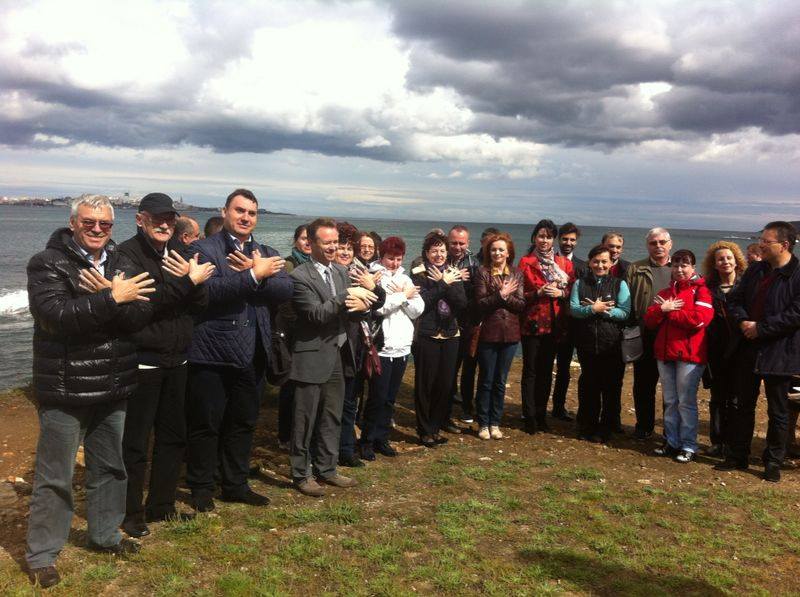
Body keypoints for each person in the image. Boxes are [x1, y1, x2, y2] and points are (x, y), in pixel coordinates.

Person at [25, 196, 154, 587]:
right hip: (65, 388)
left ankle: (105, 535)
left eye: (105, 224)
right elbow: (55, 317)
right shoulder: (47, 262)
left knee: (110, 467)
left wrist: (110, 301)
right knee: (55, 475)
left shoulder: (121, 263)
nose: (97, 229)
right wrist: (110, 298)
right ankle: (43, 555)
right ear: (73, 222)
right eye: (89, 222)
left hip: (112, 383)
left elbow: (140, 316)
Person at [186, 189, 293, 512]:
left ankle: (235, 483)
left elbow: (286, 289)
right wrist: (254, 275)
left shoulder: (265, 250)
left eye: (252, 213)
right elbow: (208, 292)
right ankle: (201, 487)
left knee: (243, 422)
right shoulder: (204, 249)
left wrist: (255, 271)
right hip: (213, 351)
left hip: (254, 351)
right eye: (240, 211)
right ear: (226, 211)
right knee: (207, 423)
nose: (246, 217)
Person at [117, 194, 213, 538]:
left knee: (173, 438)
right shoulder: (127, 254)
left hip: (178, 358)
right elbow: (144, 304)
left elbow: (199, 302)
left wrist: (193, 282)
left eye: (170, 219)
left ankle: (162, 506)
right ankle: (130, 513)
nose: (165, 224)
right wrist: (186, 282)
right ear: (140, 219)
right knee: (136, 443)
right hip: (143, 361)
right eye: (157, 218)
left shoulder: (177, 252)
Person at [288, 218, 376, 496]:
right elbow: (316, 314)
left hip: (338, 353)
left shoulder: (340, 272)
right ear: (311, 243)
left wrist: (361, 305)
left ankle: (326, 469)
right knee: (304, 420)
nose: (332, 247)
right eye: (326, 242)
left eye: (335, 242)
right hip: (311, 355)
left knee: (332, 415)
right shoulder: (299, 277)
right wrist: (346, 296)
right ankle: (301, 474)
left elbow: (349, 312)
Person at [720, 221, 800, 482]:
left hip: (780, 351)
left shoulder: (798, 274)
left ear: (784, 245)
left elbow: (795, 315)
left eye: (767, 241)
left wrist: (761, 328)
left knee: (778, 411)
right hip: (748, 348)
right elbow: (734, 300)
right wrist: (744, 323)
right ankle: (738, 455)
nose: (761, 245)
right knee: (743, 404)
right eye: (761, 240)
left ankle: (772, 461)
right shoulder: (756, 270)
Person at [644, 249, 714, 463]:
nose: (679, 269)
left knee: (686, 401)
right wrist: (662, 309)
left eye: (684, 265)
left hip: (690, 356)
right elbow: (649, 320)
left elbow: (699, 320)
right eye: (675, 265)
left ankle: (689, 445)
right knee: (671, 400)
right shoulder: (666, 292)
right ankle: (671, 442)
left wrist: (670, 312)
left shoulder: (701, 291)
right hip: (666, 354)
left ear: (693, 267)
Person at [360, 236, 424, 458]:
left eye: (398, 259)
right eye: (390, 258)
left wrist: (403, 298)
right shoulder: (374, 276)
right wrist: (402, 296)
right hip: (383, 346)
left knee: (390, 398)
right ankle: (367, 440)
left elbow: (418, 309)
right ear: (382, 256)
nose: (394, 263)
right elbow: (379, 307)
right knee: (377, 397)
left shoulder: (406, 278)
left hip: (402, 346)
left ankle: (382, 438)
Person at [334, 221, 386, 468]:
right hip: (334, 345)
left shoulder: (358, 271)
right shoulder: (330, 271)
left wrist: (371, 288)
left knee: (349, 401)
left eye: (348, 248)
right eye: (340, 247)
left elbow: (379, 300)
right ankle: (330, 449)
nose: (345, 252)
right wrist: (356, 300)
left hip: (356, 346)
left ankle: (345, 449)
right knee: (334, 402)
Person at [569, 245, 631, 443]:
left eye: (604, 261)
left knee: (611, 387)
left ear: (611, 263)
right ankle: (587, 426)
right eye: (596, 261)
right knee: (589, 386)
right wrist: (591, 309)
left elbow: (625, 312)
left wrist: (605, 310)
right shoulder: (580, 283)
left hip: (611, 344)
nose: (600, 265)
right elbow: (574, 309)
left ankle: (606, 428)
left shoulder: (619, 284)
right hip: (587, 344)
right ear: (589, 262)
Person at [411, 231, 467, 446]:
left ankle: (435, 427)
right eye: (434, 251)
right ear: (426, 253)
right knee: (426, 383)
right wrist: (443, 284)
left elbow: (461, 303)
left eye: (442, 250)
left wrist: (447, 283)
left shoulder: (453, 272)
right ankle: (424, 430)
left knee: (445, 384)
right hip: (428, 333)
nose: (439, 254)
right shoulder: (419, 272)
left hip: (451, 333)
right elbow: (422, 302)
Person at [518, 219, 574, 434]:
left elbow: (573, 290)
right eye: (541, 236)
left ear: (554, 239)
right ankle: (529, 416)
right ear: (534, 238)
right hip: (532, 323)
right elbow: (519, 294)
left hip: (555, 323)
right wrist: (537, 293)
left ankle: (541, 415)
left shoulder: (564, 264)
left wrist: (562, 293)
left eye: (549, 236)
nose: (544, 240)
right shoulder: (525, 262)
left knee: (546, 371)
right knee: (530, 371)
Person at [473, 232, 525, 440]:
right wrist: (501, 295)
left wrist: (505, 298)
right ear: (488, 251)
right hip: (489, 332)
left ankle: (495, 422)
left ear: (508, 252)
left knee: (500, 380)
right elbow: (480, 304)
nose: (497, 253)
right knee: (486, 379)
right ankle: (483, 423)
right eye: (493, 249)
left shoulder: (517, 273)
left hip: (510, 334)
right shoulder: (482, 272)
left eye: (501, 249)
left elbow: (521, 305)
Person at [625, 227, 673, 440]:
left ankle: (670, 430)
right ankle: (644, 426)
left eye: (662, 242)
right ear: (648, 246)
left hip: (672, 338)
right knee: (644, 384)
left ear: (670, 244)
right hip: (644, 335)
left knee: (670, 387)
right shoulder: (636, 268)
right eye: (654, 243)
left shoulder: (680, 268)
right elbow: (626, 302)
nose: (658, 246)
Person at [701, 241, 746, 457]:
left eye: (729, 258)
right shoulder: (707, 288)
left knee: (737, 399)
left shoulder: (746, 285)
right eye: (720, 259)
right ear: (714, 264)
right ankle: (717, 441)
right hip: (716, 350)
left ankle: (734, 442)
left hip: (741, 350)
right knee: (718, 398)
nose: (725, 261)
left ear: (736, 261)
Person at [276, 223, 312, 450]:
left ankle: (301, 433)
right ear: (295, 241)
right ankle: (285, 435)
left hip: (310, 334)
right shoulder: (289, 264)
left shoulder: (318, 265)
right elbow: (285, 303)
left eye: (311, 238)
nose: (307, 242)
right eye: (303, 238)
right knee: (289, 385)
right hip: (292, 333)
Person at [447, 224, 482, 427]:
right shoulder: (441, 259)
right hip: (446, 321)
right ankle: (446, 407)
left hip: (468, 323)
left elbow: (477, 294)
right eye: (454, 243)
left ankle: (467, 407)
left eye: (461, 243)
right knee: (449, 369)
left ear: (467, 244)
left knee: (469, 368)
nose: (457, 247)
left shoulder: (474, 264)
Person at [551, 222, 586, 422]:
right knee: (542, 367)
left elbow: (582, 295)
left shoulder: (581, 266)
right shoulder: (549, 261)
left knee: (564, 369)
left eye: (572, 240)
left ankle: (558, 406)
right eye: (565, 239)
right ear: (559, 239)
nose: (568, 243)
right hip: (549, 322)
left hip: (571, 324)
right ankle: (536, 407)